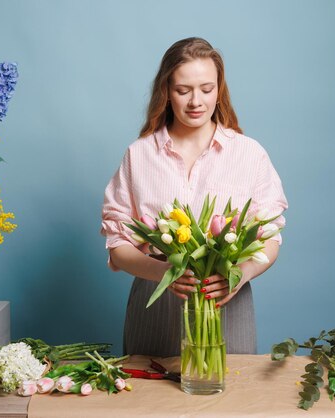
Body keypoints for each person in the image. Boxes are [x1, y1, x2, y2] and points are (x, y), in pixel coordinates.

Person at [101, 37, 288, 357]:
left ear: (220, 89)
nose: (196, 101)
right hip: (157, 299)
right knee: (148, 403)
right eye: (183, 90)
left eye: (206, 88)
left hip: (225, 295)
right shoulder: (139, 155)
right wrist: (164, 273)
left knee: (231, 400)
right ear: (166, 91)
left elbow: (270, 236)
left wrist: (240, 274)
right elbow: (118, 248)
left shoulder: (249, 154)